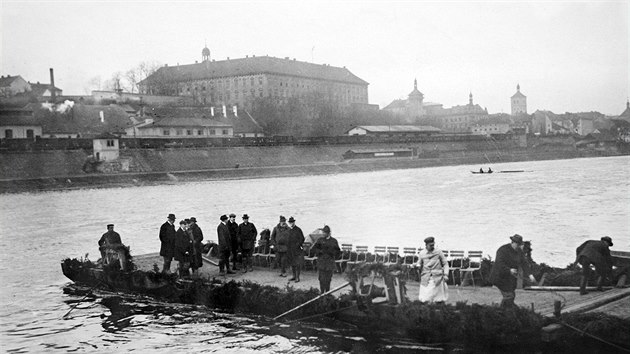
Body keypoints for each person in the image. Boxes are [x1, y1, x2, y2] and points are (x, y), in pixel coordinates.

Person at [489, 234, 536, 308]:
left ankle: (504, 311)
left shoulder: (519, 251)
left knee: (511, 296)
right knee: (509, 296)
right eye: (517, 244)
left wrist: (530, 275)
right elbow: (499, 264)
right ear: (512, 242)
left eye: (520, 244)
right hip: (499, 277)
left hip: (510, 279)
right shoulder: (502, 250)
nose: (519, 246)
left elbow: (524, 263)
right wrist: (509, 270)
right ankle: (503, 311)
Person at [417, 237, 449, 302]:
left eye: (433, 245)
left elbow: (445, 264)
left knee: (439, 300)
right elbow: (419, 263)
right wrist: (418, 266)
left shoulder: (439, 252)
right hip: (426, 278)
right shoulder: (422, 253)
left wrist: (446, 274)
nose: (432, 247)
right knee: (425, 299)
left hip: (438, 278)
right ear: (426, 245)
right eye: (430, 245)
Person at [312, 225, 340, 293]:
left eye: (325, 232)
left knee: (328, 279)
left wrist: (332, 253)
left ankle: (327, 293)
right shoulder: (320, 240)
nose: (323, 234)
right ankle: (322, 293)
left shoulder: (333, 241)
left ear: (329, 233)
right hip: (321, 262)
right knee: (321, 279)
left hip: (330, 263)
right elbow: (313, 249)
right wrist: (320, 252)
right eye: (323, 232)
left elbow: (338, 251)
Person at [286, 216, 305, 282]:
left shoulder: (298, 230)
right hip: (289, 249)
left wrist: (297, 245)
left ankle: (297, 277)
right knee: (292, 263)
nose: (291, 223)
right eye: (290, 222)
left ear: (294, 222)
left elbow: (302, 238)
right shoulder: (288, 230)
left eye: (292, 222)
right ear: (289, 223)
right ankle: (294, 276)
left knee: (297, 264)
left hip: (296, 249)